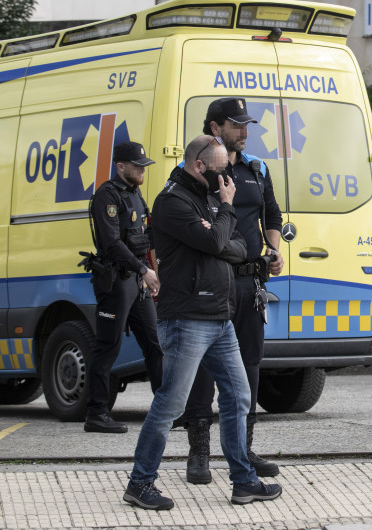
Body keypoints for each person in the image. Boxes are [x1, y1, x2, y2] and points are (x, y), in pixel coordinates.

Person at [123, 135, 282, 510]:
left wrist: (217, 231)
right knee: (171, 404)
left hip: (219, 317)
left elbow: (239, 245)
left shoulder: (207, 199)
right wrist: (222, 220)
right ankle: (140, 483)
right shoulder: (172, 202)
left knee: (239, 396)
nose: (227, 178)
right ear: (199, 166)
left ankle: (243, 481)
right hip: (187, 319)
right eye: (221, 170)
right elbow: (215, 244)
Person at [179, 97, 284, 485]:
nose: (244, 131)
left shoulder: (257, 168)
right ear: (213, 128)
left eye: (246, 124)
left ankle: (243, 449)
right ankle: (199, 453)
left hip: (248, 281)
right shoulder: (196, 171)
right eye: (236, 125)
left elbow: (270, 214)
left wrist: (273, 248)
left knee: (250, 367)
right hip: (210, 282)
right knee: (205, 369)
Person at [83, 141, 163, 433]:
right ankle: (97, 414)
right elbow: (112, 244)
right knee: (108, 347)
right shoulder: (107, 196)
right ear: (120, 166)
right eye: (138, 166)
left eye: (144, 166)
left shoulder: (135, 195)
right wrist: (144, 269)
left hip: (135, 281)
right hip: (116, 281)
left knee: (155, 345)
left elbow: (146, 236)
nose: (143, 170)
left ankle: (166, 410)